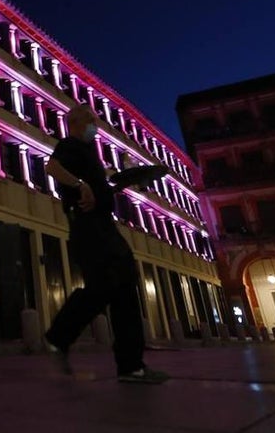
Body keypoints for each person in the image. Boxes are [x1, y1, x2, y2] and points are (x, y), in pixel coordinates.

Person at [44, 103, 169, 383]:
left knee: (117, 286)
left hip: (101, 225)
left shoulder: (89, 152)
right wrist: (79, 185)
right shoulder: (70, 145)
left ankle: (128, 364)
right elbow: (52, 167)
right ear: (76, 123)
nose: (95, 126)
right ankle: (122, 362)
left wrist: (112, 185)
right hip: (90, 227)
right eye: (91, 121)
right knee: (114, 284)